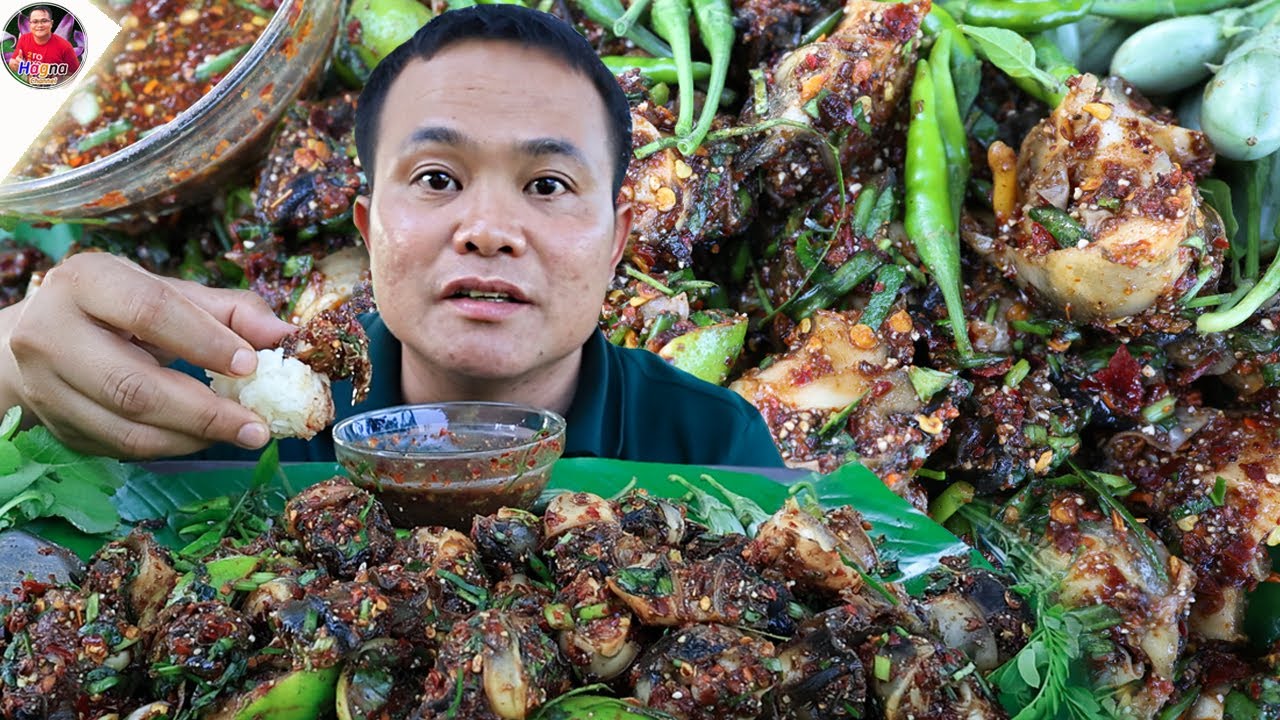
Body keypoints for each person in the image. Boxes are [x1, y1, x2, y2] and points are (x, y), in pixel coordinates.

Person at [0, 5, 785, 467]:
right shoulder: (217, 404)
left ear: (617, 242)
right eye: (438, 179)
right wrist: (18, 362)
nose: (487, 231)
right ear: (369, 230)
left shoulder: (710, 445)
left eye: (547, 185)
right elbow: (50, 371)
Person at [7, 6, 79, 85]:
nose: (40, 25)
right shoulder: (24, 39)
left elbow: (76, 76)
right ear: (30, 24)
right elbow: (12, 63)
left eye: (44, 21)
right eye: (35, 21)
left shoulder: (65, 46)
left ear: (51, 23)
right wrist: (18, 65)